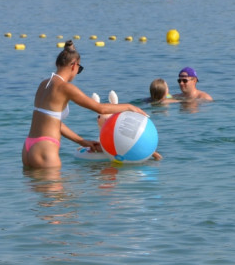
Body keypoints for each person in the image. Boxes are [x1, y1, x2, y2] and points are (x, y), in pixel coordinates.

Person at [22, 41, 148, 169]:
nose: (77, 72)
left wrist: (82, 141)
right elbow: (101, 108)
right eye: (79, 69)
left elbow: (51, 121)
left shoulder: (44, 84)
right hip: (46, 150)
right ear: (74, 65)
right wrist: (129, 107)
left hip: (28, 148)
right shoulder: (65, 87)